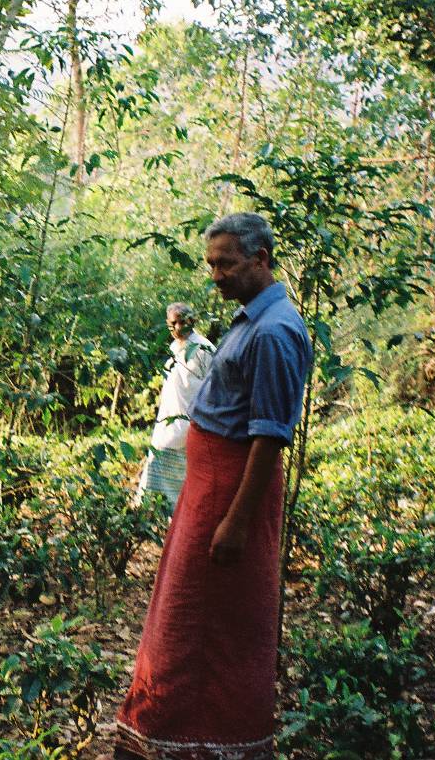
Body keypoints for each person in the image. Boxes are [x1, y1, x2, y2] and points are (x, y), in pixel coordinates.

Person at [114, 212, 313, 760]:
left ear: (261, 259)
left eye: (225, 264)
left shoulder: (275, 331)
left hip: (229, 496)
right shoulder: (250, 321)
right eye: (211, 265)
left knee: (206, 628)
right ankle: (171, 736)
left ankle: (202, 741)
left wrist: (235, 522)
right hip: (208, 491)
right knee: (180, 618)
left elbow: (270, 437)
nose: (216, 276)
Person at [135, 303, 212, 510]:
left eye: (182, 322)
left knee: (183, 487)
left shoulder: (204, 349)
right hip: (168, 424)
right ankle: (153, 521)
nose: (177, 328)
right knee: (157, 475)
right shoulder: (173, 350)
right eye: (173, 323)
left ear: (192, 321)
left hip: (191, 426)